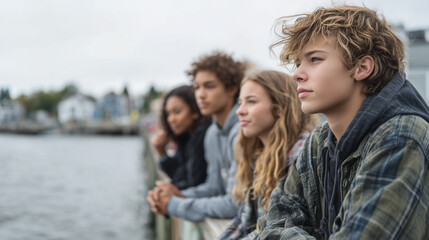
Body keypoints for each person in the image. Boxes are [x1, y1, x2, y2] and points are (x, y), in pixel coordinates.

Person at [257, 5, 429, 240]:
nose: (297, 74)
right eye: (298, 63)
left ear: (362, 67)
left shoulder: (401, 136)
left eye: (314, 59)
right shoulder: (320, 140)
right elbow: (272, 222)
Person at [147, 51, 246, 222]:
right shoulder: (212, 134)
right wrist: (174, 194)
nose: (200, 94)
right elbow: (214, 188)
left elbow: (235, 203)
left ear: (231, 88)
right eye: (197, 87)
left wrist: (173, 204)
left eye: (209, 86)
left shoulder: (243, 130)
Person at [218, 70, 316, 239]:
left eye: (251, 101)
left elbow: (278, 229)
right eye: (240, 103)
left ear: (278, 108)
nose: (239, 111)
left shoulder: (300, 154)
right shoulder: (258, 156)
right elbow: (244, 221)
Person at [151, 85, 211, 190]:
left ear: (194, 111)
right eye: (168, 114)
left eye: (177, 112)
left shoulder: (203, 136)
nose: (171, 119)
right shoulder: (185, 138)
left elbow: (194, 183)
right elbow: (178, 175)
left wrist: (168, 191)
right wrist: (161, 151)